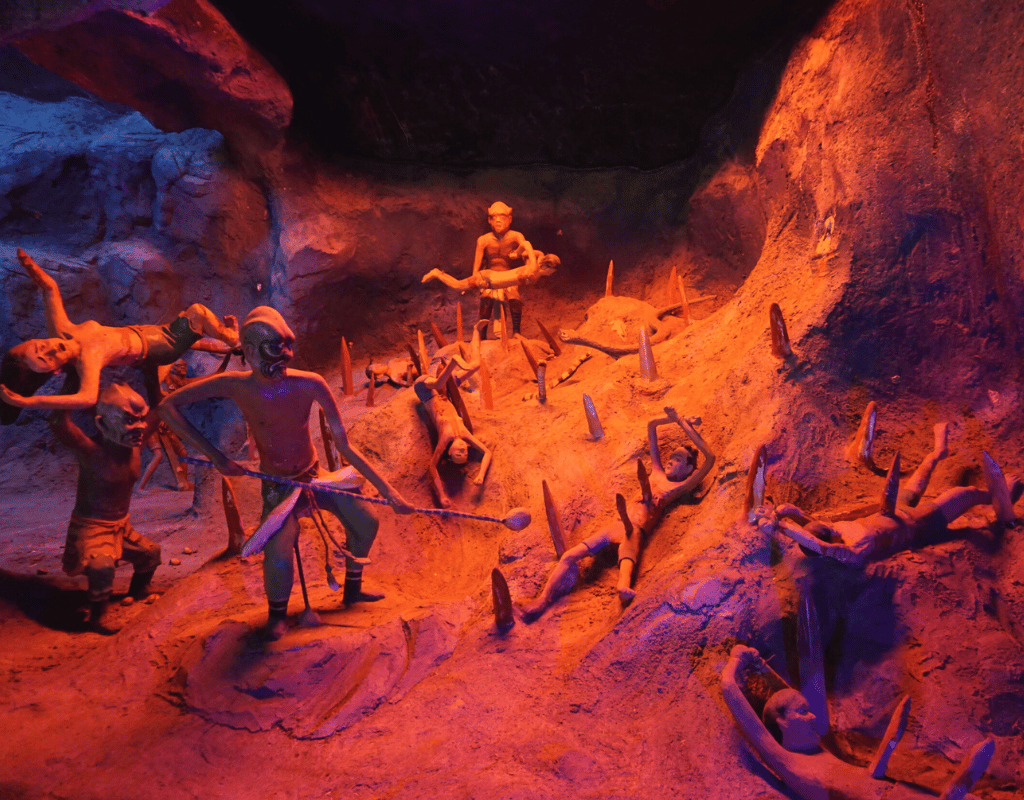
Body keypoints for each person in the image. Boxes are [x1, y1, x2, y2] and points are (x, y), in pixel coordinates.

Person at [159, 306, 413, 639]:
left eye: (288, 347)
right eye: (275, 349)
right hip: (278, 487)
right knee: (279, 552)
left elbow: (345, 446)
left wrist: (389, 491)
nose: (286, 357)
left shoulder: (310, 384)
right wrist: (217, 457)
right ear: (251, 352)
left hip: (315, 478)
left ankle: (353, 589)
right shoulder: (235, 385)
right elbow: (167, 406)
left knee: (366, 522)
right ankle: (276, 614)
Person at [721, 644, 995, 800]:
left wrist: (760, 666)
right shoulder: (788, 761)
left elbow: (784, 693)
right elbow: (733, 696)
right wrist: (734, 663)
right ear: (782, 722)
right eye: (803, 712)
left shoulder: (816, 748)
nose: (813, 716)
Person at [521, 407, 715, 620]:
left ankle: (623, 591)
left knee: (625, 572)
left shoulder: (675, 489)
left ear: (688, 470)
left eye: (678, 459)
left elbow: (710, 458)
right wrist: (674, 418)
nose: (670, 460)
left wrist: (683, 424)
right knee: (569, 556)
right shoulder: (656, 472)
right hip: (616, 525)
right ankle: (543, 600)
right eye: (672, 456)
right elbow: (651, 425)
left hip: (635, 532)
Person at [1, 248, 239, 420]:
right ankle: (232, 337)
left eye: (42, 346)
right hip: (160, 345)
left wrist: (30, 267)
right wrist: (30, 402)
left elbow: (50, 289)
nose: (52, 349)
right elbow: (86, 398)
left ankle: (224, 343)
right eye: (48, 359)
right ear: (55, 370)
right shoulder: (87, 359)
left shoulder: (64, 332)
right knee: (198, 312)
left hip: (149, 336)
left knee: (189, 323)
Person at [754, 423, 1021, 567]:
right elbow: (814, 542)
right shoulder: (850, 551)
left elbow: (805, 521)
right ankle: (1002, 497)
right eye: (828, 530)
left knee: (920, 475)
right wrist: (781, 528)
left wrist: (781, 513)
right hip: (921, 523)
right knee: (966, 493)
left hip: (895, 508)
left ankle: (938, 452)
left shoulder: (832, 530)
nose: (830, 526)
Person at [49, 382, 162, 634]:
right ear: (101, 424)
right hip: (91, 529)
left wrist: (150, 371)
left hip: (121, 526)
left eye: (141, 420)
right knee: (102, 568)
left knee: (150, 553)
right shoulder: (90, 452)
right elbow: (58, 421)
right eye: (129, 421)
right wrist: (73, 378)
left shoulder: (135, 448)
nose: (140, 427)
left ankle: (139, 590)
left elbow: (161, 408)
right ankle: (97, 617)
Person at [413, 321, 492, 509]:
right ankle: (476, 330)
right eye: (465, 452)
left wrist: (442, 496)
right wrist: (481, 475)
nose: (463, 450)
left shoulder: (445, 438)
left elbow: (432, 467)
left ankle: (454, 362)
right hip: (446, 391)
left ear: (449, 452)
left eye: (458, 453)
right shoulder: (465, 435)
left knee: (438, 383)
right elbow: (487, 452)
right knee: (475, 366)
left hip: (426, 392)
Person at [470, 202, 534, 336]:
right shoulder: (483, 240)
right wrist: (477, 281)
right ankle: (482, 335)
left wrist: (529, 270)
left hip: (508, 276)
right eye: (494, 217)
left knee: (514, 296)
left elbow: (527, 257)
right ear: (489, 220)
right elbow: (476, 268)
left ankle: (516, 332)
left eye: (502, 216)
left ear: (509, 219)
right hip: (489, 277)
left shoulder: (516, 237)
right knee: (486, 297)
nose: (498, 220)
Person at [422, 248, 559, 293]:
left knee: (459, 285)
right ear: (548, 267)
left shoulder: (534, 265)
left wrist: (519, 254)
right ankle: (436, 273)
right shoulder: (534, 269)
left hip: (492, 281)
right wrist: (517, 252)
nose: (552, 274)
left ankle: (438, 273)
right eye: (553, 271)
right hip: (488, 278)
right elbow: (526, 245)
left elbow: (527, 254)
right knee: (457, 286)